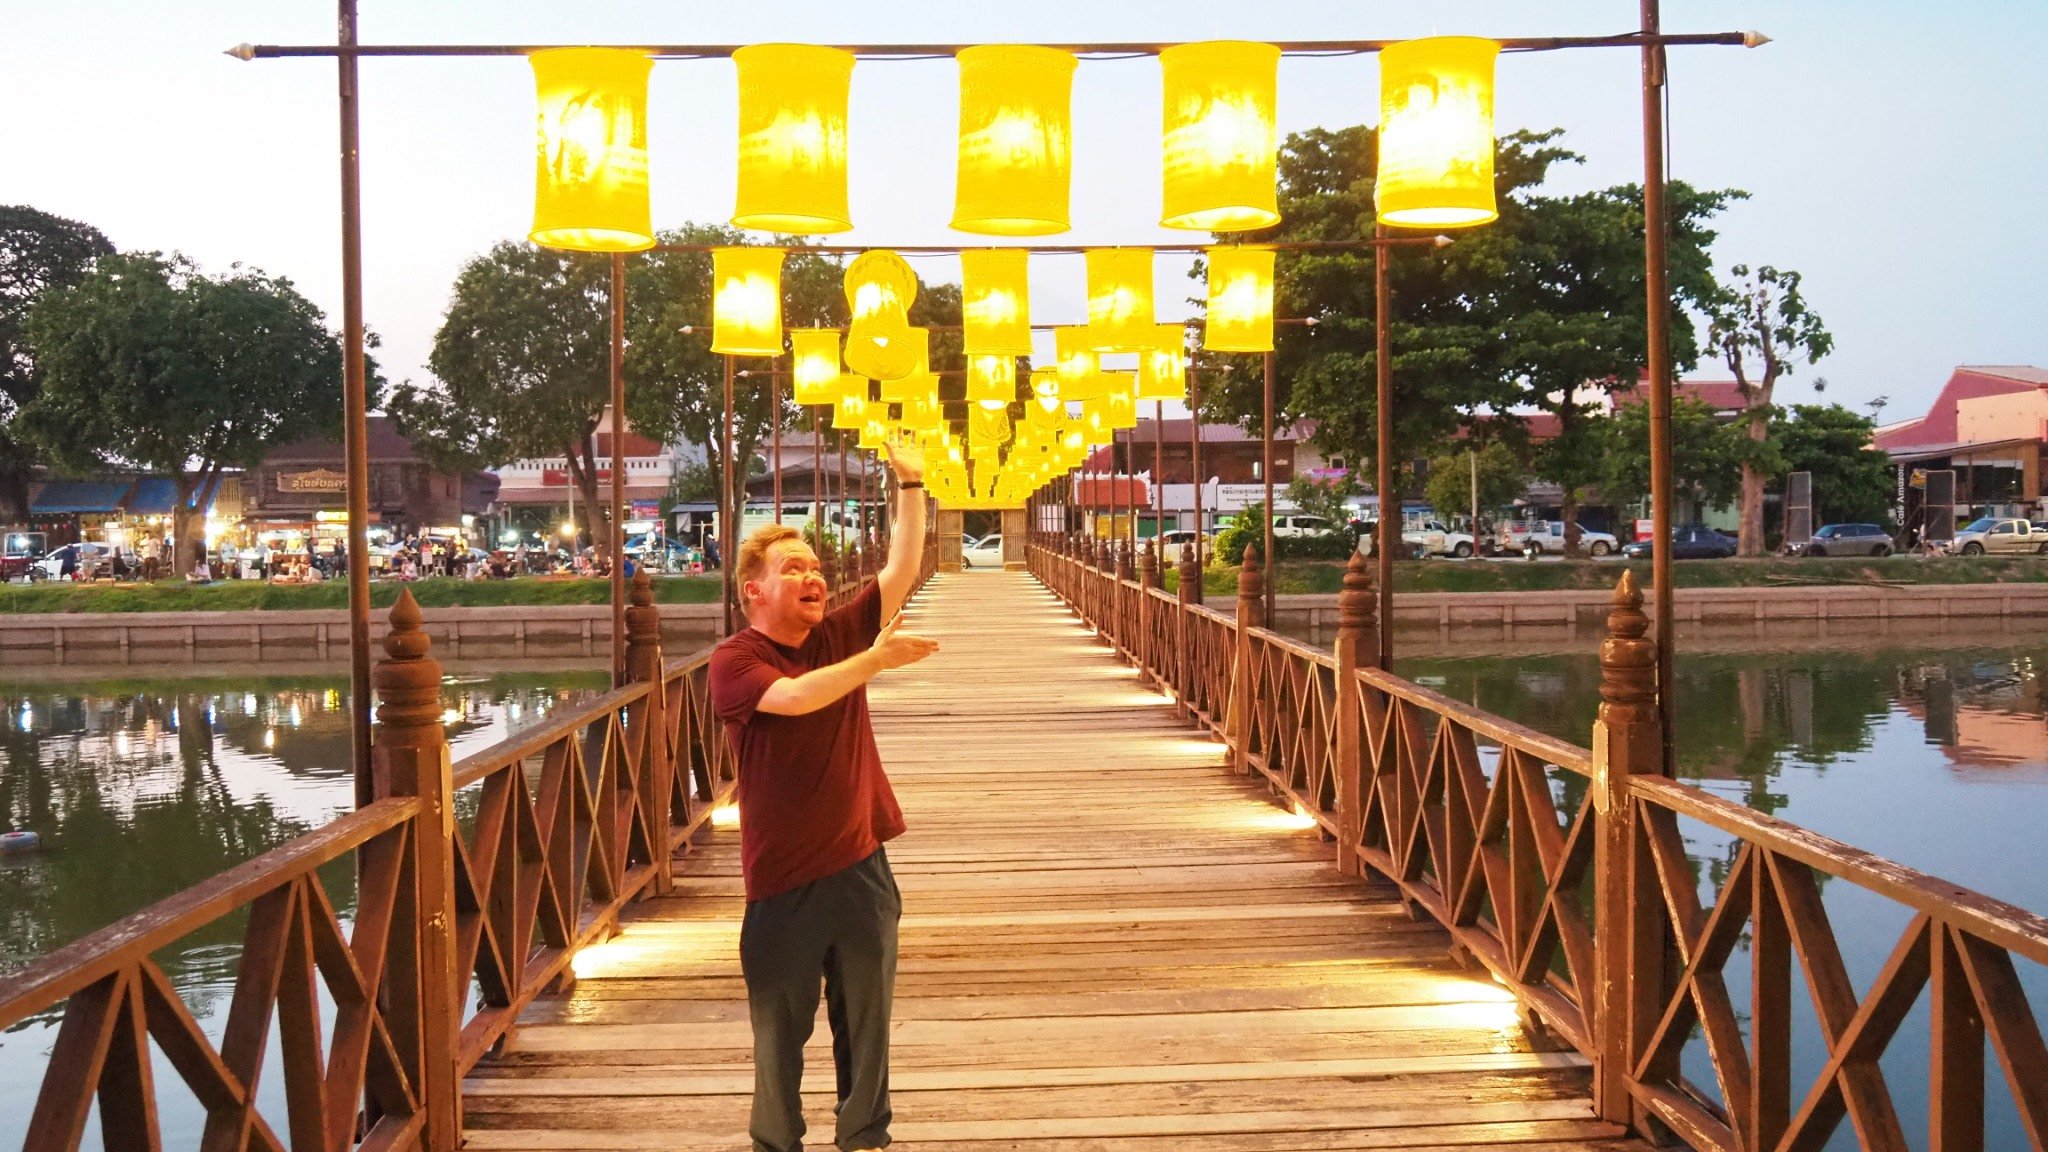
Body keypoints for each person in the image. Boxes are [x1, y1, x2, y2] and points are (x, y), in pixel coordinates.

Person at [709, 435, 935, 1152]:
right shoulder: (736, 660)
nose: (814, 575)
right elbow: (799, 697)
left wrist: (911, 484)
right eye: (792, 568)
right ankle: (777, 1142)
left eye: (815, 565)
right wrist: (875, 658)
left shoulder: (837, 633)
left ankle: (865, 1137)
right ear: (755, 589)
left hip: (861, 862)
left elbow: (901, 569)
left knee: (867, 1027)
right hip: (781, 878)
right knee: (779, 1034)